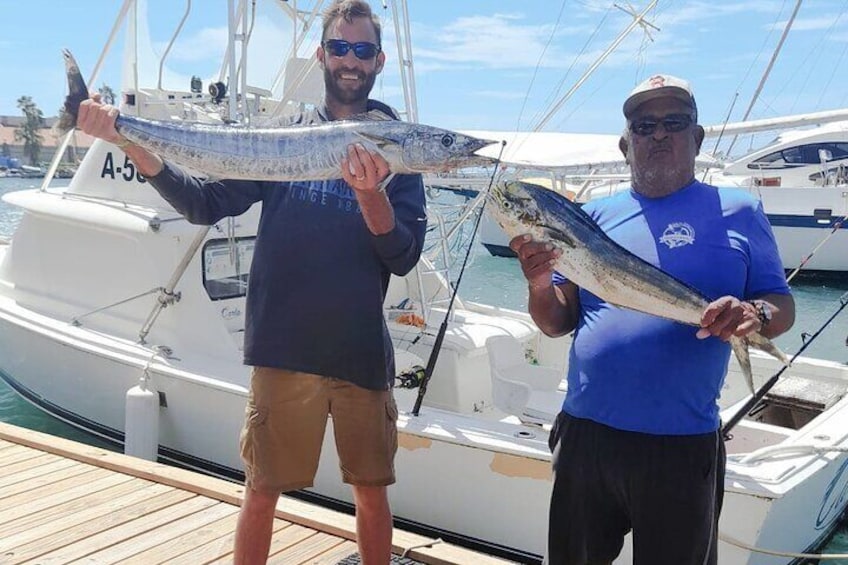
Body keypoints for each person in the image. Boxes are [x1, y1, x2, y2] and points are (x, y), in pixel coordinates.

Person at [76, 1, 426, 563]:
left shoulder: (398, 149)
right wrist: (127, 140)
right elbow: (202, 202)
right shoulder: (283, 136)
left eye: (362, 50)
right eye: (340, 48)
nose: (350, 61)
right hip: (283, 349)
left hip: (360, 354)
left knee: (371, 492)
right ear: (322, 56)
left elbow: (403, 256)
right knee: (261, 490)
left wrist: (370, 196)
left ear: (380, 60)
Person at [510, 74, 795, 565]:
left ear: (697, 136)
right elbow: (557, 322)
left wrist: (756, 314)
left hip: (681, 445)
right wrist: (538, 283)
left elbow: (780, 303)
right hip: (586, 436)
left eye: (674, 122)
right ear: (626, 144)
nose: (659, 134)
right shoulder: (591, 216)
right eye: (644, 126)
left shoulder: (741, 210)